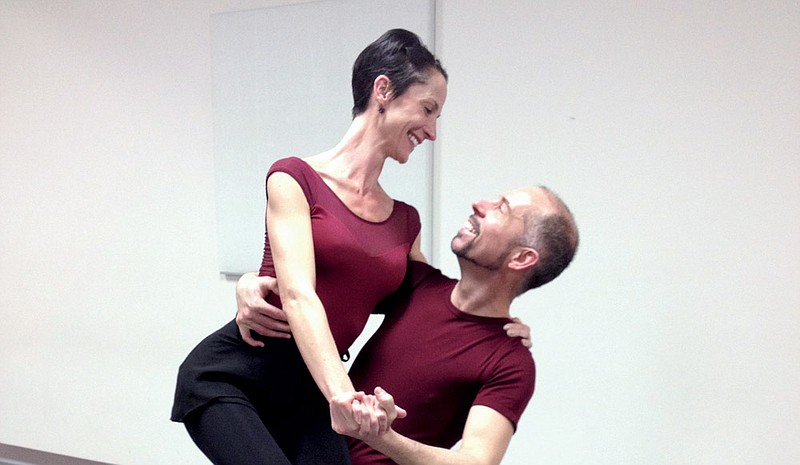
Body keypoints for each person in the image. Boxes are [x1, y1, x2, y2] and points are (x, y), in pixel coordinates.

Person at [171, 29, 448, 465]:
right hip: (236, 376)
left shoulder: (405, 222)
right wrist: (346, 399)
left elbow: (436, 304)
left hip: (312, 392)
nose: (432, 131)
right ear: (383, 90)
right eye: (428, 109)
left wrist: (501, 318)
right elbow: (300, 295)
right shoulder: (294, 179)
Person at [238, 186, 579, 465]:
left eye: (501, 209)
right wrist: (251, 282)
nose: (479, 203)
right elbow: (317, 279)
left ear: (521, 259)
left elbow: (476, 462)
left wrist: (382, 438)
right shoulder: (416, 284)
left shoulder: (511, 362)